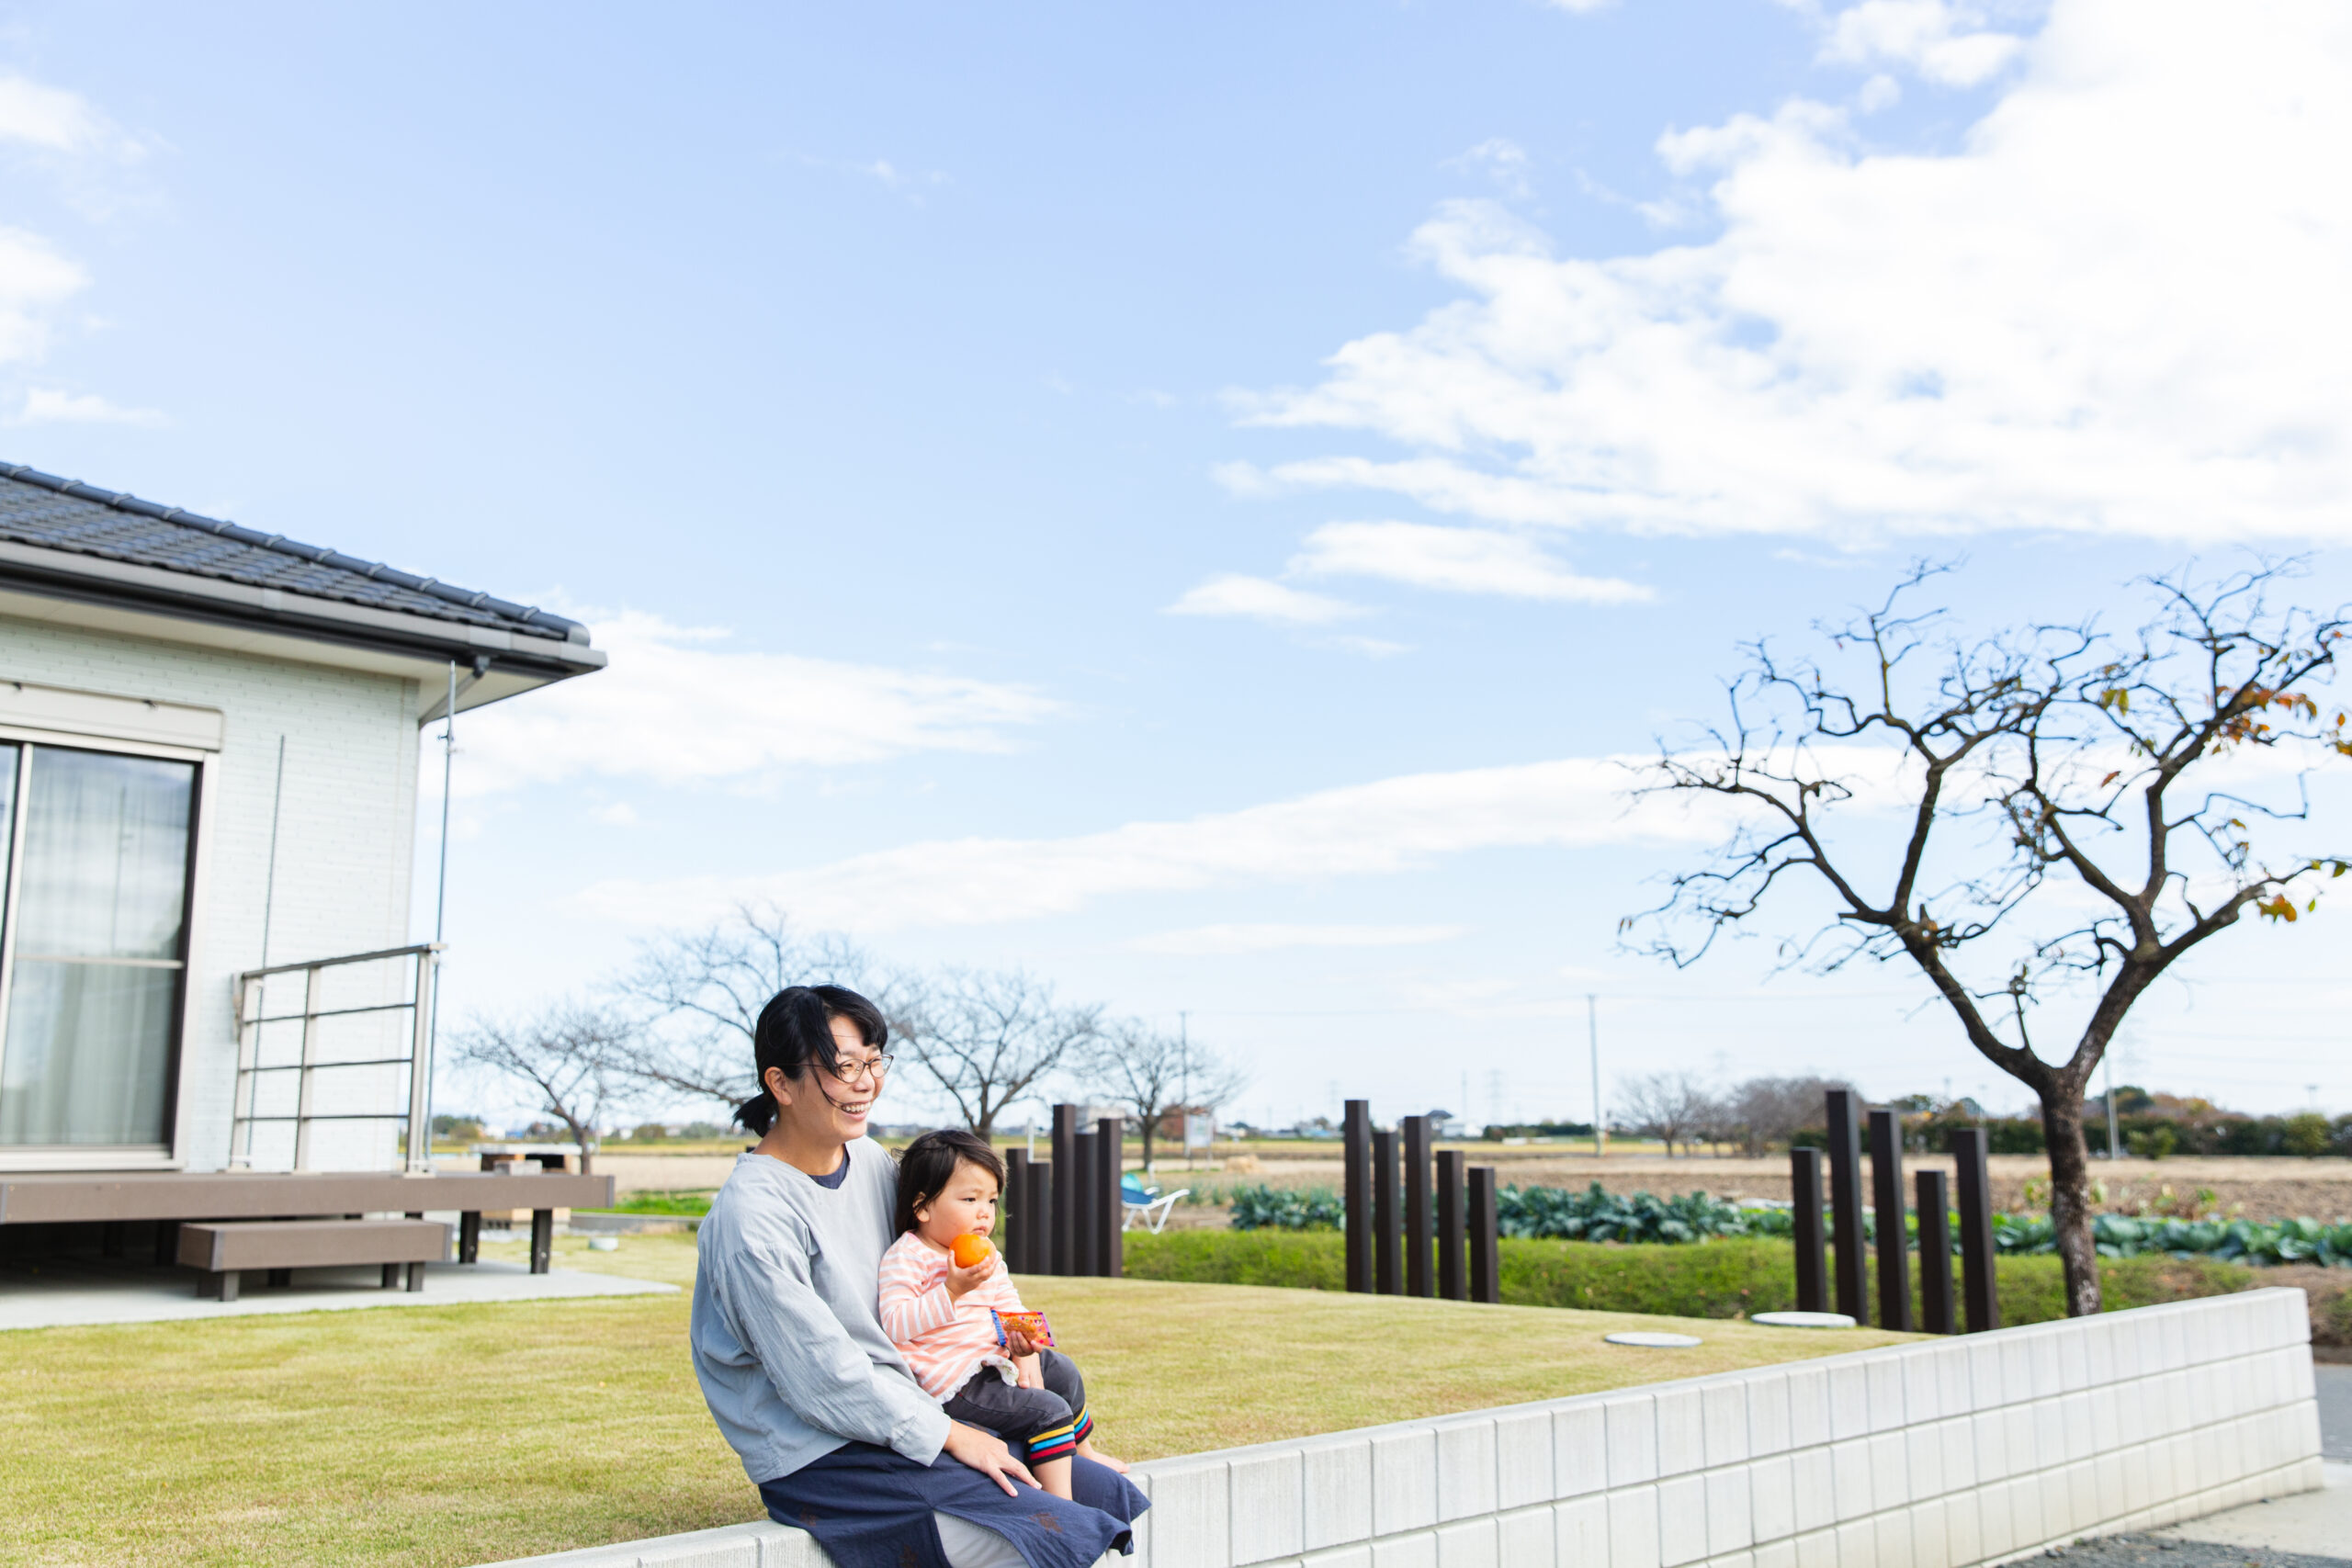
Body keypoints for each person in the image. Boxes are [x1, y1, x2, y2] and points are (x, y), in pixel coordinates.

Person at [691, 985, 1147, 1568]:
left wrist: (1012, 1334)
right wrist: (950, 1436)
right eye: (842, 1066)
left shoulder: (874, 1165)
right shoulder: (751, 1217)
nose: (865, 1082)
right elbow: (820, 1379)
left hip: (918, 1403)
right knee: (1043, 1530)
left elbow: (941, 1272)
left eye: (874, 1061)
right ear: (780, 1083)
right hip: (824, 1453)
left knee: (1100, 1496)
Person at [879, 1130, 1125, 1499]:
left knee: (1062, 1370)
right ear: (923, 1207)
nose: (985, 1212)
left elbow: (1008, 1302)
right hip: (952, 1383)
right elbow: (895, 1324)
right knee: (1048, 1410)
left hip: (991, 1361)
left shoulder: (985, 1253)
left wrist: (1024, 1343)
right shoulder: (908, 1256)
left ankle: (1085, 1453)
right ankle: (1062, 1500)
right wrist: (951, 1291)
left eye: (991, 1200)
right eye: (970, 1198)